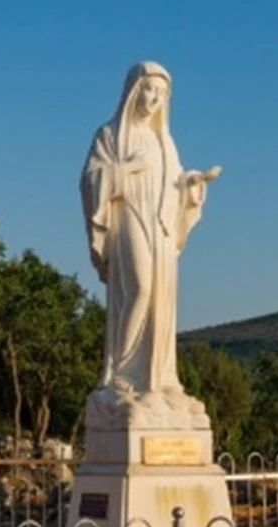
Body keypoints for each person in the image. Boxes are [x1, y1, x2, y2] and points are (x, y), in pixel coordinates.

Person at [80, 61, 221, 410]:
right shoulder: (110, 135)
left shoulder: (165, 141)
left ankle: (159, 380)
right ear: (133, 90)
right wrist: (126, 170)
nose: (154, 97)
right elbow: (90, 180)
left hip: (161, 225)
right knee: (139, 288)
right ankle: (122, 376)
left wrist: (193, 185)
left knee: (160, 298)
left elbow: (175, 185)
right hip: (129, 215)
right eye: (149, 89)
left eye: (161, 92)